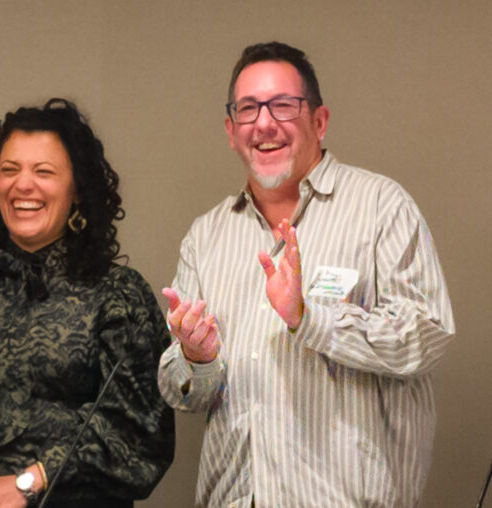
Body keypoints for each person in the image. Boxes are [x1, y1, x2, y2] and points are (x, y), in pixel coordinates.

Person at [157, 42, 455, 507]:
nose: (264, 123)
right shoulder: (206, 235)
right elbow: (185, 393)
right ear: (231, 130)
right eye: (248, 109)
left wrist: (308, 318)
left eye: (283, 105)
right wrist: (197, 358)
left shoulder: (380, 206)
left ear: (319, 121)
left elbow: (426, 334)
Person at [0, 98, 175, 508]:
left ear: (76, 189)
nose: (23, 184)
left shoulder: (118, 295)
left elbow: (142, 439)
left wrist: (30, 482)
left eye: (43, 172)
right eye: (10, 170)